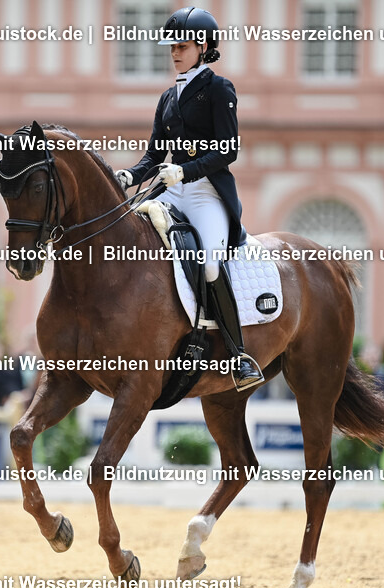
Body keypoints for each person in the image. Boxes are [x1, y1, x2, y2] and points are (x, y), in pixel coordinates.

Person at [114, 7, 262, 391]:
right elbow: (153, 155)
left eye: (182, 46)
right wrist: (130, 176)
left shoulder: (219, 89)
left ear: (203, 46)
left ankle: (238, 355)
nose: (175, 53)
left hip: (206, 192)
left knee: (210, 263)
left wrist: (186, 170)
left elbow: (227, 150)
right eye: (172, 48)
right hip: (171, 190)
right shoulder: (168, 96)